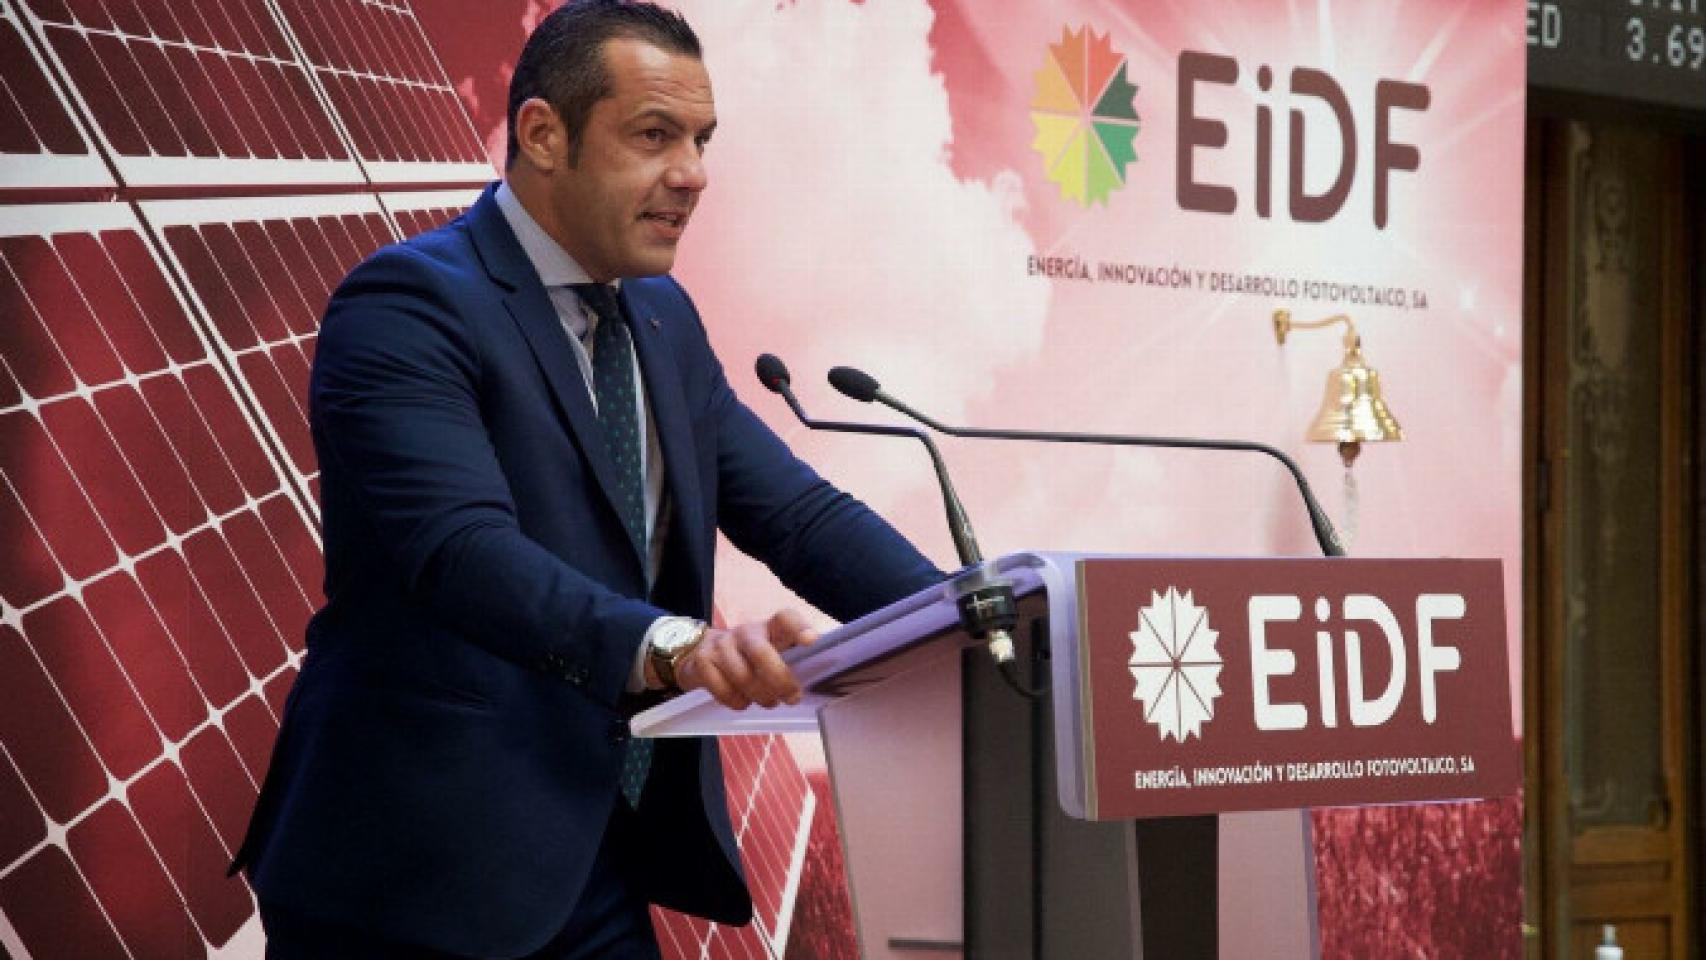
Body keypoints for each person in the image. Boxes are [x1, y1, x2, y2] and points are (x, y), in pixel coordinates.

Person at [229, 2, 942, 957]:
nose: (692, 173)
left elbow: (798, 516)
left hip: (592, 861)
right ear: (543, 135)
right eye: (654, 135)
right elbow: (462, 553)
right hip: (409, 873)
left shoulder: (661, 317)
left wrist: (978, 628)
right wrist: (679, 648)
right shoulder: (407, 305)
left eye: (700, 140)